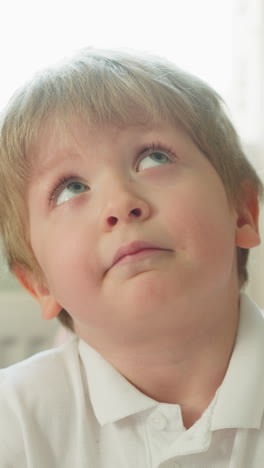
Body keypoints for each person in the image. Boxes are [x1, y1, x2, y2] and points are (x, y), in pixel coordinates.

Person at [0, 47, 263, 467]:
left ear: (243, 211)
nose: (120, 203)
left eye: (153, 157)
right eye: (70, 188)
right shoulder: (13, 422)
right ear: (39, 283)